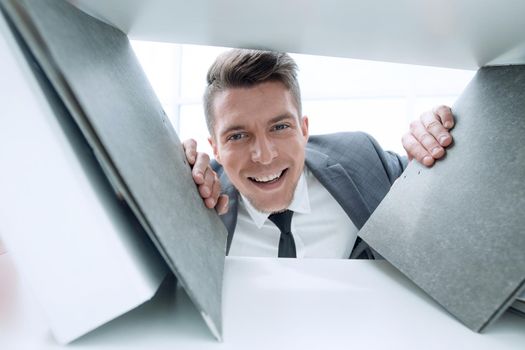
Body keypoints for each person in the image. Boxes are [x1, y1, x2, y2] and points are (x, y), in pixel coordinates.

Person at [183, 49, 454, 259]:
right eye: (238, 136)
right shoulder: (197, 198)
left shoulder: (361, 160)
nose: (264, 156)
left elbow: (445, 192)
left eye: (279, 127)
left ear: (304, 129)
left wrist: (444, 136)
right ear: (215, 146)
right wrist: (166, 176)